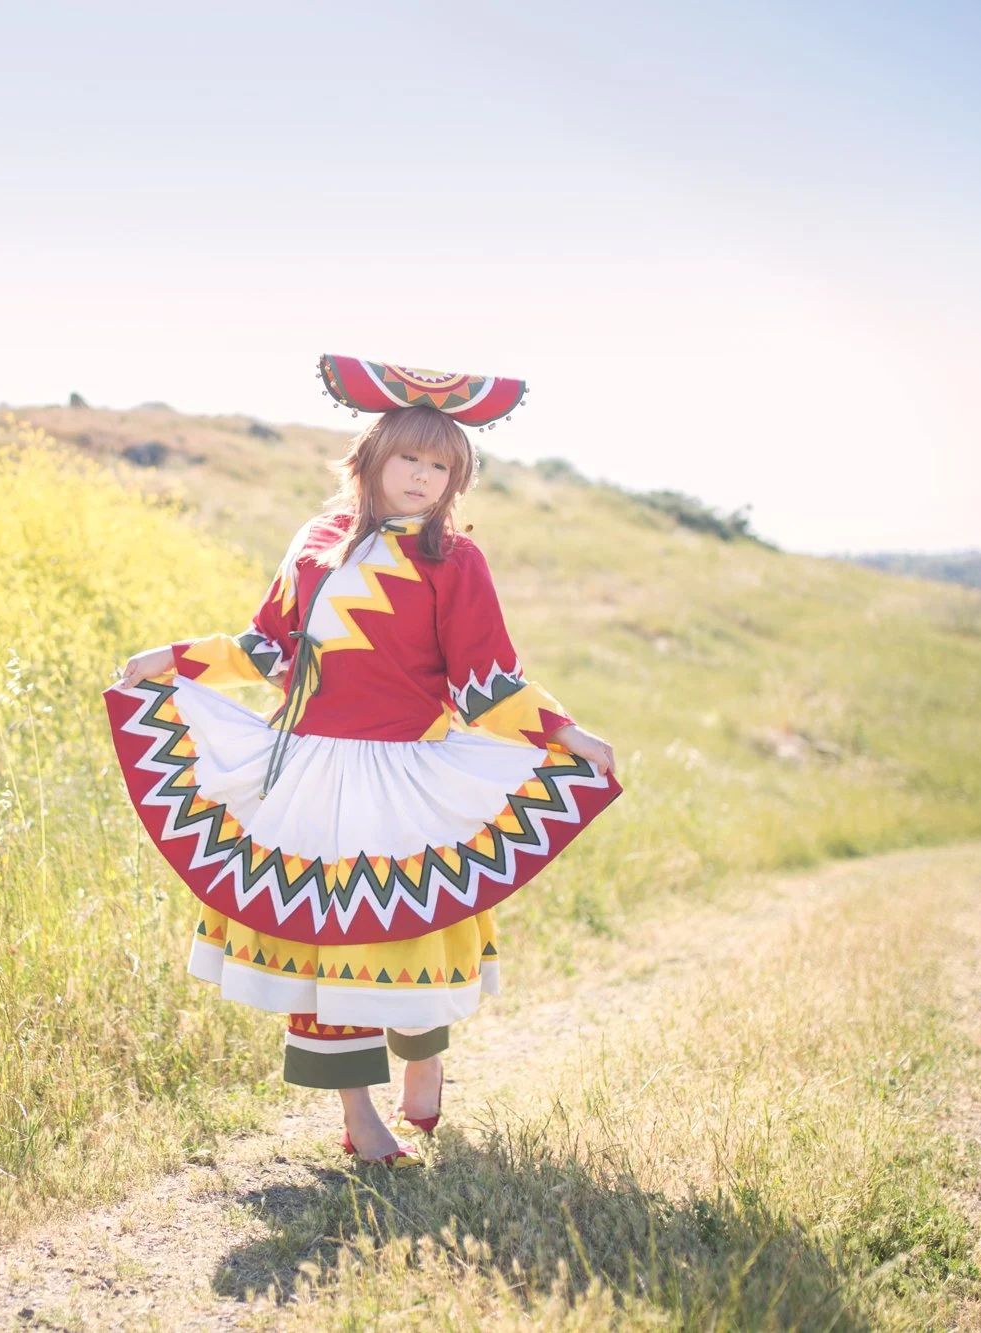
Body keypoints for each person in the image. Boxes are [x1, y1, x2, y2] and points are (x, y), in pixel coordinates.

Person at [105, 361, 620, 1166]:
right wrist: (169, 658)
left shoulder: (456, 561)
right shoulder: (315, 545)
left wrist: (565, 732)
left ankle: (423, 1056)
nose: (422, 476)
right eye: (409, 456)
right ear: (373, 456)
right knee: (329, 944)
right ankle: (358, 1115)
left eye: (441, 464)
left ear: (457, 479)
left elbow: (486, 682)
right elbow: (265, 647)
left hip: (405, 771)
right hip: (307, 770)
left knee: (413, 928)